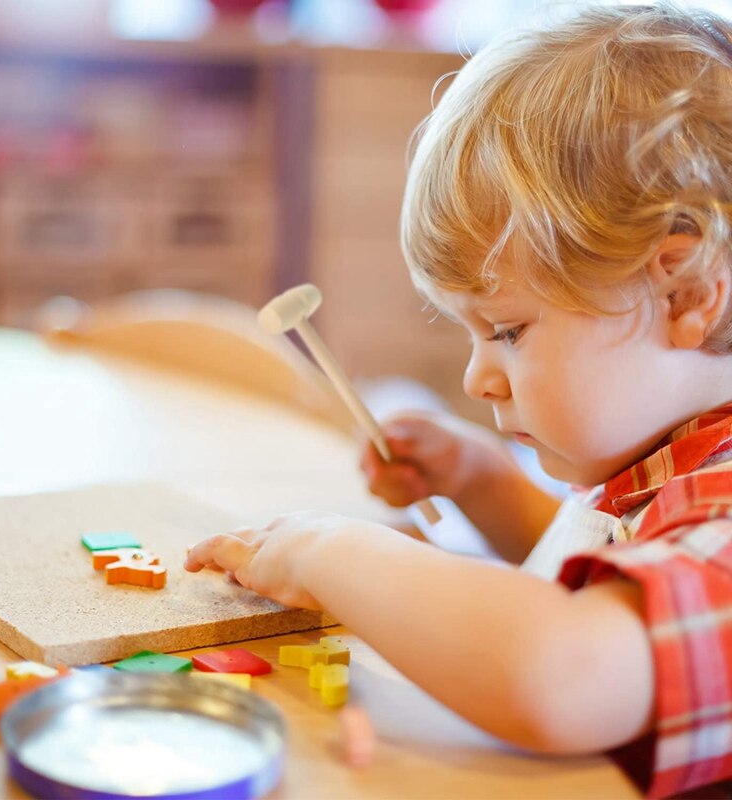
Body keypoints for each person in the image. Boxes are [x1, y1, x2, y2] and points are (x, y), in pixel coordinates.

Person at [184, 5, 732, 796]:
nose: (479, 377)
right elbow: (605, 573)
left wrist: (334, 552)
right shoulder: (674, 464)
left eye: (508, 330)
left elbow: (565, 671)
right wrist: (483, 483)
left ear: (684, 292)